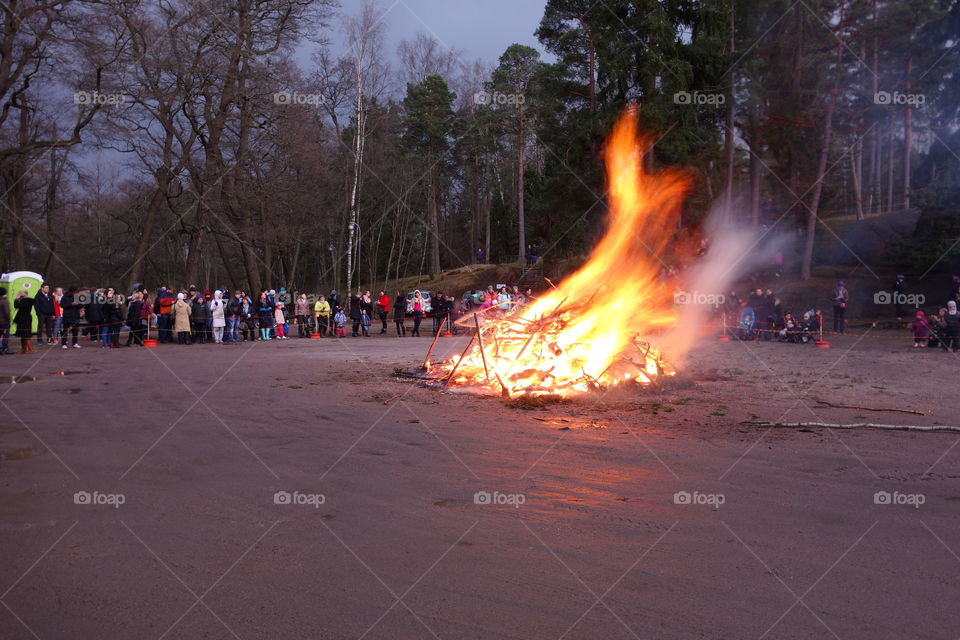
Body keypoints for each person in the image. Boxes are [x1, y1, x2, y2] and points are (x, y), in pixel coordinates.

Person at [0, 287, 9, 354]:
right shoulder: (5, 301)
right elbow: (7, 312)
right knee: (5, 335)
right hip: (4, 322)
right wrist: (9, 320)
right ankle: (4, 348)